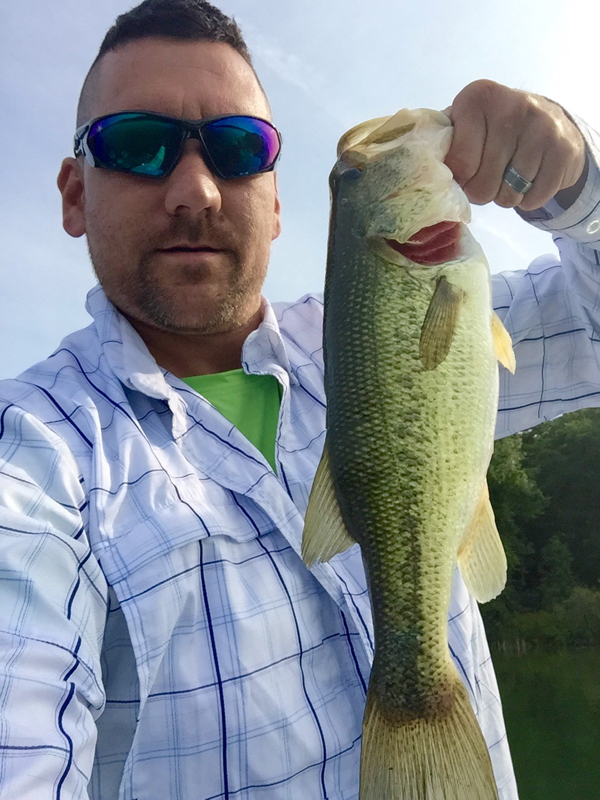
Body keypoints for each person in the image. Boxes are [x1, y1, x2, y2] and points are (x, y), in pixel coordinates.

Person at [0, 1, 598, 798]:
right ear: (75, 195)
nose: (196, 191)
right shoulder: (34, 456)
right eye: (136, 145)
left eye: (238, 148)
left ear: (277, 204)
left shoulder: (367, 333)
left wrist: (579, 188)